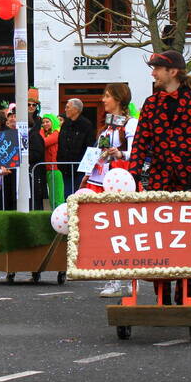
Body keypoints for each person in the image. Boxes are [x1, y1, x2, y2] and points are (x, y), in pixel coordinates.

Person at [128, 50, 191, 305]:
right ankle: (162, 297)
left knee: (189, 242)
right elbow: (141, 144)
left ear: (173, 72)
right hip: (159, 181)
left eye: (157, 68)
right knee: (159, 240)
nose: (153, 73)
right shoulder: (151, 103)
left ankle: (186, 296)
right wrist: (133, 174)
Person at [80, 83, 139, 298]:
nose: (103, 100)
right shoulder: (106, 127)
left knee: (122, 230)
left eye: (107, 96)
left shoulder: (131, 124)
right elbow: (99, 152)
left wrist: (121, 154)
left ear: (119, 99)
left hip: (120, 181)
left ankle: (127, 279)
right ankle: (113, 278)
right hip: (101, 179)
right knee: (106, 230)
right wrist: (87, 172)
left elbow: (136, 152)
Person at [57, 97, 95, 195]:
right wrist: (60, 161)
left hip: (80, 169)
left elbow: (89, 146)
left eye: (68, 107)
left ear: (76, 109)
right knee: (68, 195)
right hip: (65, 168)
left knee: (79, 195)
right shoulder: (66, 124)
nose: (65, 110)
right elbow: (61, 143)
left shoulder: (87, 125)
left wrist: (85, 166)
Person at [40, 113, 64, 207]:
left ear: (53, 122)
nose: (45, 124)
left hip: (56, 169)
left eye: (47, 122)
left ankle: (59, 214)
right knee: (52, 195)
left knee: (57, 195)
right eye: (43, 122)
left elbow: (43, 143)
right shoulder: (49, 134)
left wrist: (41, 131)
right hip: (50, 168)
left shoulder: (56, 133)